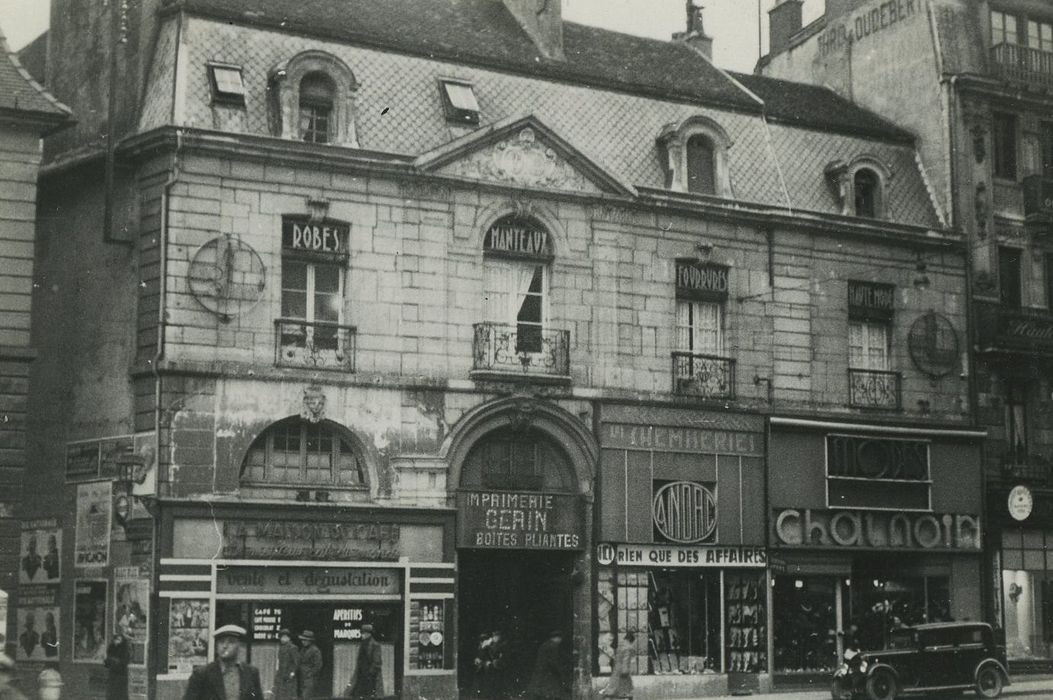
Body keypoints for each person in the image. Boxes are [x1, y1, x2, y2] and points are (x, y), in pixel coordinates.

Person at [182, 624, 264, 700]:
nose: (225, 646)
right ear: (216, 646)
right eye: (221, 642)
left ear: (239, 646)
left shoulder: (251, 673)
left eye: (231, 642)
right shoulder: (202, 674)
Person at [526, 630, 568, 700]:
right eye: (560, 639)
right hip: (548, 673)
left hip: (541, 672)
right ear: (557, 638)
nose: (560, 641)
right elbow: (553, 662)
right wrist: (560, 672)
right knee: (551, 693)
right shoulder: (553, 646)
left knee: (540, 692)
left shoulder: (544, 644)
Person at [345, 624, 382, 699]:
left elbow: (377, 662)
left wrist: (370, 673)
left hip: (370, 678)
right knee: (356, 694)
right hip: (361, 676)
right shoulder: (363, 644)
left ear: (368, 634)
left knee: (369, 696)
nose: (362, 635)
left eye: (363, 633)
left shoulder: (375, 645)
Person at [600, 632, 635, 700]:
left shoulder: (621, 645)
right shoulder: (628, 648)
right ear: (631, 640)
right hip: (623, 673)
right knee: (626, 692)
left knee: (613, 690)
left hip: (617, 670)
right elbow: (626, 660)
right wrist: (625, 671)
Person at [272, 629, 299, 700]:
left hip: (288, 677)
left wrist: (292, 673)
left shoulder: (293, 648)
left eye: (284, 637)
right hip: (281, 676)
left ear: (288, 638)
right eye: (281, 637)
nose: (282, 639)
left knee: (288, 696)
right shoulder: (281, 648)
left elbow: (296, 662)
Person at [104, 629, 130, 700]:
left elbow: (124, 661)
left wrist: (114, 661)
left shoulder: (124, 649)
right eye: (115, 639)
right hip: (113, 675)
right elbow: (107, 663)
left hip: (121, 675)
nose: (116, 641)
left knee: (120, 693)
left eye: (119, 639)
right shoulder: (111, 648)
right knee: (112, 693)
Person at [298, 630, 322, 699]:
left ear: (310, 641)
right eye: (302, 640)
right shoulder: (303, 650)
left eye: (305, 640)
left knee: (307, 696)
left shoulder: (315, 650)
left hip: (310, 679)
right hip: (302, 678)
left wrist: (310, 674)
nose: (303, 641)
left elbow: (318, 665)